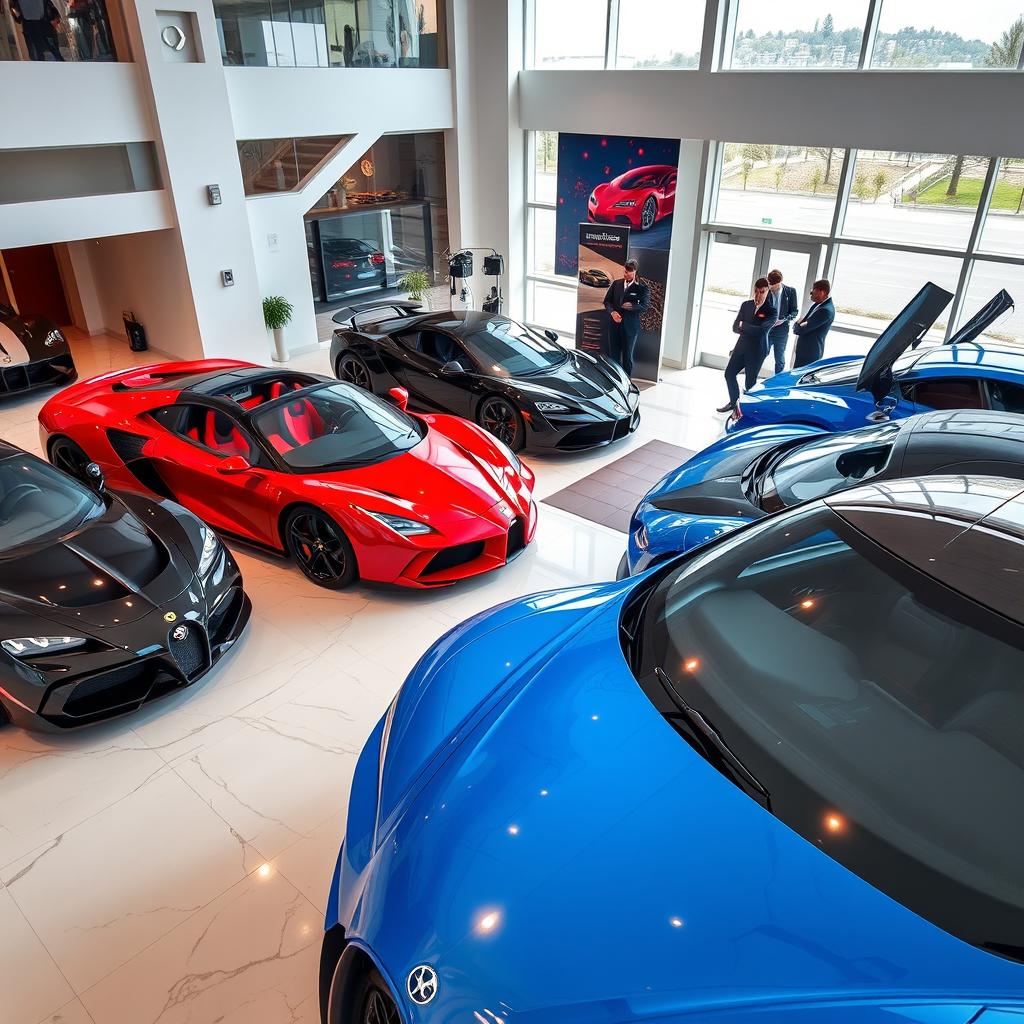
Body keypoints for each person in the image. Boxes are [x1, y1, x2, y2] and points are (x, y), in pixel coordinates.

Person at [717, 277, 776, 414]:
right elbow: (735, 327)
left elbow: (762, 331)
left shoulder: (771, 311)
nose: (758, 295)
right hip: (741, 347)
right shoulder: (746, 305)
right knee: (729, 374)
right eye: (756, 291)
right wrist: (748, 328)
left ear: (767, 292)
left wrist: (744, 326)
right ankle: (734, 403)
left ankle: (747, 410)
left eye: (762, 292)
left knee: (750, 383)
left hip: (756, 351)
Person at [602, 258, 650, 378]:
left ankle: (626, 382)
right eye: (625, 271)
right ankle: (614, 380)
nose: (625, 274)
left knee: (627, 357)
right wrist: (612, 312)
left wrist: (633, 306)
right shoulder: (616, 284)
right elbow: (607, 301)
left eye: (629, 272)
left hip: (630, 328)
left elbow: (645, 306)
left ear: (635, 272)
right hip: (614, 326)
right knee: (613, 355)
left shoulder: (641, 288)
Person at [792, 279, 836, 368]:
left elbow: (800, 330)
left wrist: (797, 324)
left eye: (814, 290)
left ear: (822, 292)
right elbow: (803, 322)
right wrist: (799, 324)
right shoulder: (818, 305)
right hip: (804, 352)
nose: (811, 293)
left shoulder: (825, 310)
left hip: (809, 354)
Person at [766, 268, 799, 375]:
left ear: (780, 282)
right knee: (760, 354)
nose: (771, 287)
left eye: (773, 285)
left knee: (779, 358)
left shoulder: (790, 291)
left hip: (781, 331)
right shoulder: (767, 291)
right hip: (767, 329)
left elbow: (794, 311)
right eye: (770, 284)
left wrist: (784, 319)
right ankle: (752, 380)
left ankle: (777, 381)